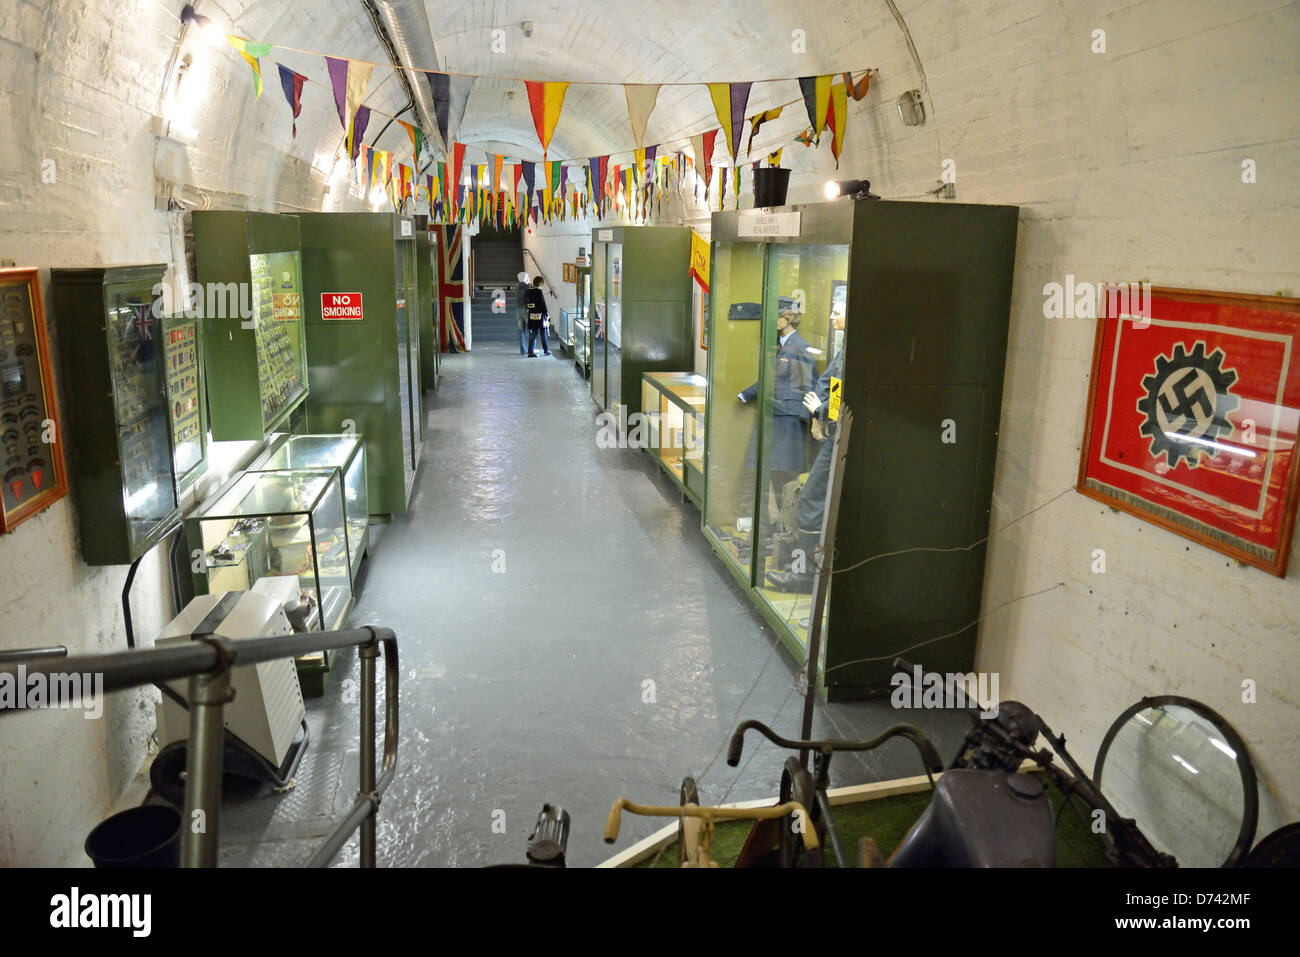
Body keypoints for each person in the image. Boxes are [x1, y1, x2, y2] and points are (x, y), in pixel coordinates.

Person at [766, 305, 846, 592]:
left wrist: (821, 411)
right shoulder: (848, 343)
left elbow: (842, 391)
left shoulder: (853, 346)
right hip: (834, 432)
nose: (831, 315)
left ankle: (804, 575)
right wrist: (819, 415)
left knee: (811, 501)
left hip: (841, 437)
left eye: (837, 310)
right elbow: (831, 383)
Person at [738, 308, 817, 507]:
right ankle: (775, 522)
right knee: (772, 470)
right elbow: (771, 378)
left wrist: (805, 418)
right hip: (776, 413)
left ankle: (785, 522)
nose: (774, 320)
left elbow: (810, 385)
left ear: (789, 319)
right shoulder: (780, 345)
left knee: (784, 472)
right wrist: (748, 393)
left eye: (778, 316)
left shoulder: (800, 347)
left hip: (788, 419)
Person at [524, 275, 551, 357]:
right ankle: (546, 351)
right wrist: (546, 313)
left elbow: (527, 303)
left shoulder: (528, 291)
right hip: (540, 316)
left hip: (532, 315)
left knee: (534, 333)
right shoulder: (538, 291)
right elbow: (543, 303)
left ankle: (530, 351)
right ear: (540, 283)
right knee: (543, 333)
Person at [514, 272, 531, 355]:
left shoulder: (516, 287)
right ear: (526, 278)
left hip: (518, 310)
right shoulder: (528, 287)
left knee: (521, 331)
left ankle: (523, 351)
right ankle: (531, 350)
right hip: (526, 310)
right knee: (531, 330)